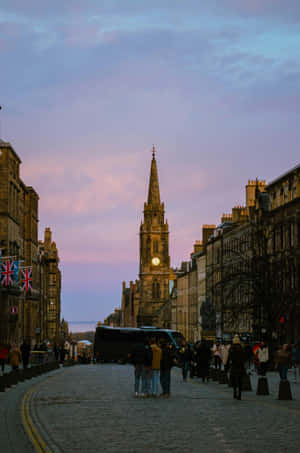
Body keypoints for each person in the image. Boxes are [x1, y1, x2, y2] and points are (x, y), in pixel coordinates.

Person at [227, 335, 246, 400]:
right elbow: (244, 358)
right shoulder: (242, 348)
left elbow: (229, 358)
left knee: (234, 380)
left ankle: (235, 392)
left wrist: (227, 366)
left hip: (234, 366)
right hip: (240, 367)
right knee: (240, 381)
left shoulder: (231, 348)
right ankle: (239, 394)